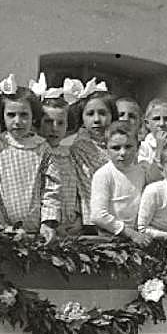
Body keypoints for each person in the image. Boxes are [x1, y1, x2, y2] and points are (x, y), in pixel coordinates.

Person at [0, 84, 62, 240]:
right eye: (11, 115)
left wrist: (47, 224)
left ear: (34, 116)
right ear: (2, 116)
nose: (18, 121)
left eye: (24, 115)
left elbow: (51, 188)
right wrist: (1, 226)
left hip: (35, 232)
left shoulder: (43, 148)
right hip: (1, 231)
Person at [60, 88, 117, 230]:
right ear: (82, 118)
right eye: (90, 114)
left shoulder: (120, 146)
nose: (97, 119)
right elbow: (74, 185)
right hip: (90, 217)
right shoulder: (76, 148)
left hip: (119, 213)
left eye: (102, 113)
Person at [89, 122, 150, 246]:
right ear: (106, 148)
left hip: (137, 237)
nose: (122, 153)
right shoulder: (104, 174)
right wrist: (129, 233)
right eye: (116, 148)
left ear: (138, 146)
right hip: (110, 238)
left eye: (128, 147)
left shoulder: (141, 171)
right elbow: (98, 215)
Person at [137, 98, 167, 166]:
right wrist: (160, 148)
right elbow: (150, 175)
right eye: (156, 119)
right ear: (147, 123)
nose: (162, 124)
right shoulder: (142, 148)